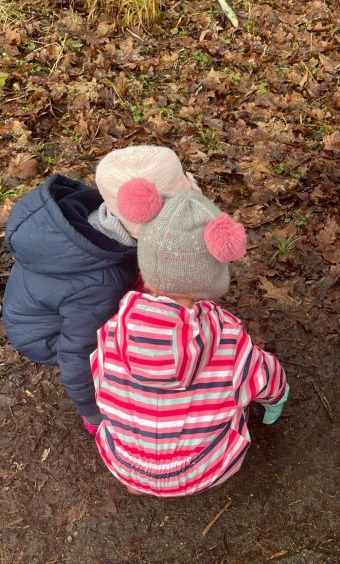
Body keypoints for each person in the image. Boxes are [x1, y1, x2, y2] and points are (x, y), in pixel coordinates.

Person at [90, 179, 288, 497]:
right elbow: (265, 377)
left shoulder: (111, 333)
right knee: (241, 395)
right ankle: (182, 479)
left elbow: (101, 385)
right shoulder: (228, 340)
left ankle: (142, 481)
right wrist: (277, 396)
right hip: (201, 468)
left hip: (125, 464)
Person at [2, 146, 199, 434]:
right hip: (45, 336)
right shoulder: (99, 286)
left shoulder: (100, 217)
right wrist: (93, 411)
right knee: (118, 351)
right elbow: (77, 354)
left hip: (51, 302)